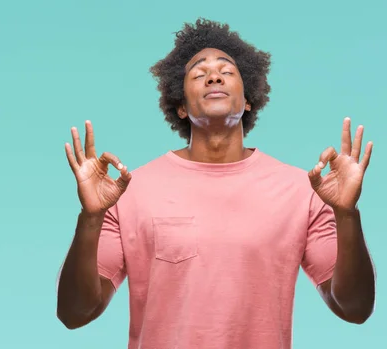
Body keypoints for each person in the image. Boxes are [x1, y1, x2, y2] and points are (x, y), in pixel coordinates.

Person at [55, 18, 376, 348]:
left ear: (248, 99)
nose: (213, 75)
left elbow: (354, 308)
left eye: (227, 69)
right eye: (198, 73)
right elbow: (75, 312)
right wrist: (90, 217)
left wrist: (347, 214)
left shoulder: (302, 190)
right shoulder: (128, 191)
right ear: (180, 105)